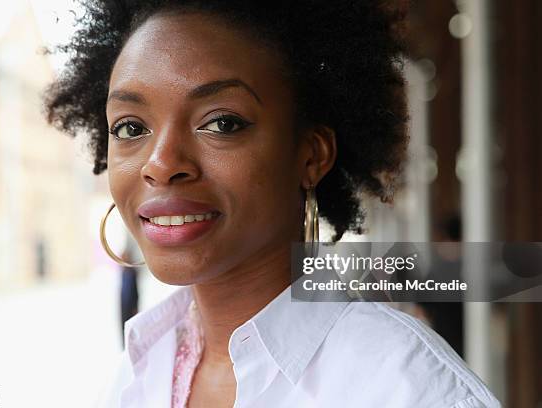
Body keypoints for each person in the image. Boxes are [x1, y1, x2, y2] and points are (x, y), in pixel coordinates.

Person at [43, 1, 501, 406]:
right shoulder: (139, 369)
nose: (160, 164)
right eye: (129, 128)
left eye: (221, 123)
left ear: (311, 155)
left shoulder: (407, 387)